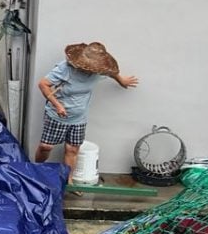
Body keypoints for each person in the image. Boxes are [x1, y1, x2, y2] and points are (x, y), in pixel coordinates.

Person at [34, 43, 138, 183]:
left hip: (79, 118)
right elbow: (43, 84)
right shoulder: (66, 69)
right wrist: (57, 105)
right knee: (46, 147)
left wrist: (122, 81)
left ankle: (68, 180)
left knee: (72, 149)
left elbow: (111, 72)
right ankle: (37, 170)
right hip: (57, 115)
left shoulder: (99, 70)